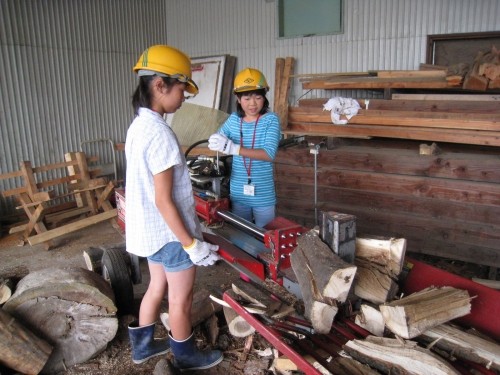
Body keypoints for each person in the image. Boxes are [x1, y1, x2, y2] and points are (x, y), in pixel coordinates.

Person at [125, 44, 223, 371]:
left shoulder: (138, 126)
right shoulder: (161, 134)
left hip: (150, 232)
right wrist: (191, 244)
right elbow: (164, 199)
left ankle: (141, 347)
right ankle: (185, 355)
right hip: (170, 233)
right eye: (182, 89)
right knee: (180, 299)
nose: (183, 98)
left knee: (156, 287)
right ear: (160, 85)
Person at [208, 68, 281, 228]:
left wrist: (235, 149)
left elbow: (269, 154)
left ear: (264, 97)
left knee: (267, 236)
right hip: (239, 191)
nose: (252, 103)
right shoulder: (234, 120)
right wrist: (216, 139)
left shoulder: (271, 120)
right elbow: (220, 136)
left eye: (258, 97)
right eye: (247, 98)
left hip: (263, 193)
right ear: (238, 98)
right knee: (241, 232)